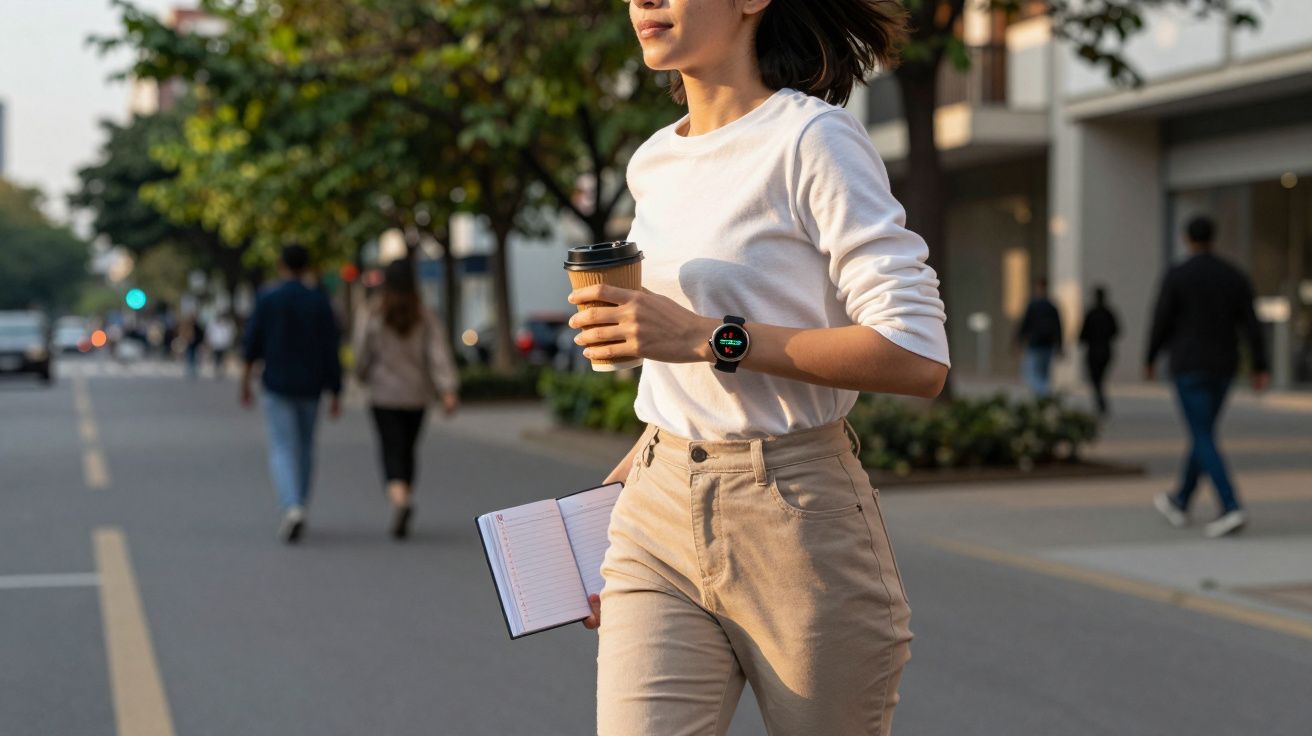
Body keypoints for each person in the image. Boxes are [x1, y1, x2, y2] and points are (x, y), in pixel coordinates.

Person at [570, 1, 950, 733]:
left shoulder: (813, 138)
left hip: (797, 520)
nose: (644, 1)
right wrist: (647, 453)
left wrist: (713, 339)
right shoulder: (652, 162)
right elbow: (681, 349)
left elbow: (917, 352)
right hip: (656, 507)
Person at [1148, 216, 1269, 539]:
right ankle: (1180, 500)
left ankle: (1231, 506)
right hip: (1223, 366)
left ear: (1187, 238)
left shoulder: (1179, 274)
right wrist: (1260, 365)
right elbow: (1251, 324)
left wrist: (1150, 357)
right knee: (1203, 433)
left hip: (1189, 365)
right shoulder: (1233, 276)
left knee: (1202, 434)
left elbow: (1161, 319)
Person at [240, 244, 343, 543]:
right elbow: (330, 348)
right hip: (312, 386)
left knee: (283, 447)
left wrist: (245, 381)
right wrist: (336, 390)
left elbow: (252, 343)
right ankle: (300, 504)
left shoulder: (268, 298)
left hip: (277, 385)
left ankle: (292, 505)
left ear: (280, 265)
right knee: (306, 446)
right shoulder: (318, 300)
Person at [352, 260, 459, 540]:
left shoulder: (373, 312)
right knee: (408, 449)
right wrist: (447, 389)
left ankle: (399, 499)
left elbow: (362, 350)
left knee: (391, 447)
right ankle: (405, 494)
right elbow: (438, 354)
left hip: (382, 393)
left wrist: (360, 375)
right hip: (416, 394)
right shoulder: (424, 314)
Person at [1017, 277, 1063, 397]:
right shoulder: (1051, 307)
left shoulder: (1034, 306)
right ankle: (1042, 397)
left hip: (1036, 344)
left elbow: (1025, 324)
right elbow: (1058, 327)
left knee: (1033, 374)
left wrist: (1018, 341)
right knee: (1042, 374)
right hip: (1047, 345)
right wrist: (1059, 346)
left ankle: (1043, 394)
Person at [1078, 285, 1120, 416]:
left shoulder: (1091, 313)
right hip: (1106, 350)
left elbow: (1082, 334)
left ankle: (1100, 403)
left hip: (1094, 351)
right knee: (1099, 379)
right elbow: (1116, 331)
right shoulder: (1109, 313)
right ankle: (1101, 403)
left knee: (1096, 379)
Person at [206, 312, 236, 379]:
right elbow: (209, 333)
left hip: (223, 344)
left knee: (223, 358)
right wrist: (209, 341)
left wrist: (229, 341)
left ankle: (222, 370)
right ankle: (217, 369)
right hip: (216, 344)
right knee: (216, 357)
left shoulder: (227, 324)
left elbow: (230, 334)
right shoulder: (213, 324)